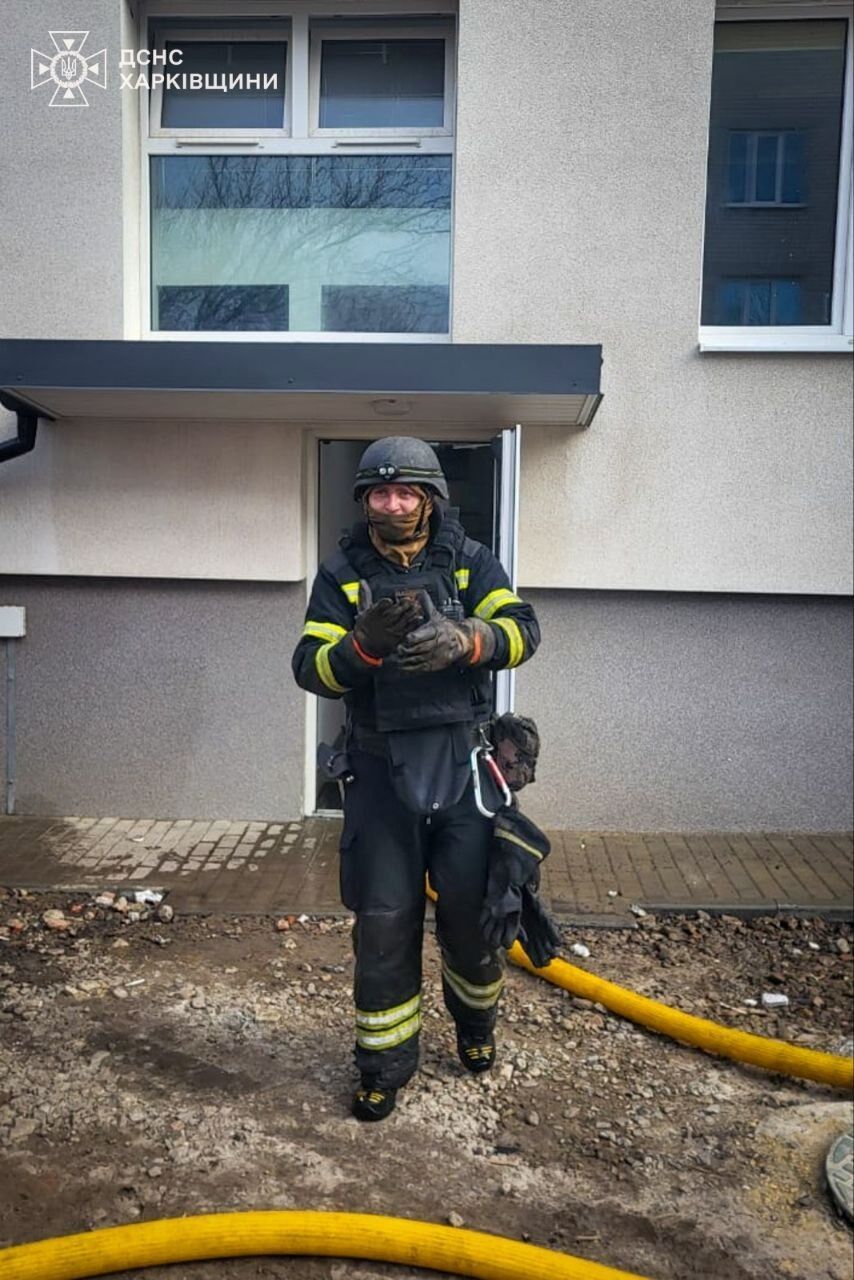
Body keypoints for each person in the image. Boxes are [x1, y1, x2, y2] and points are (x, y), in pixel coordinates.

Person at [291, 437, 540, 1121]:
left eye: (406, 493)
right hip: (378, 771)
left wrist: (472, 641)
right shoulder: (341, 571)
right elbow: (309, 667)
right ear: (365, 499)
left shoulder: (469, 561)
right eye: (380, 492)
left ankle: (475, 1028)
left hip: (464, 768)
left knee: (471, 913)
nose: (392, 504)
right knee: (385, 923)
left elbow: (524, 628)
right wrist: (360, 645)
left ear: (430, 498)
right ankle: (383, 1065)